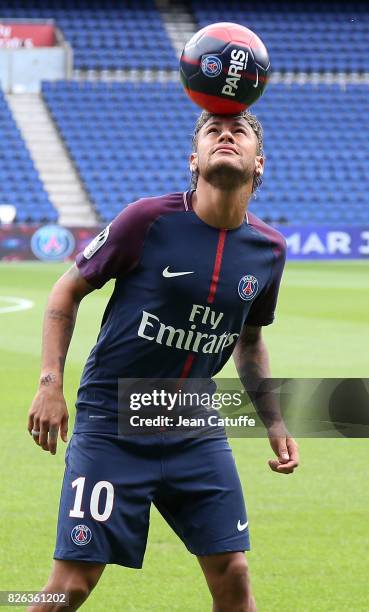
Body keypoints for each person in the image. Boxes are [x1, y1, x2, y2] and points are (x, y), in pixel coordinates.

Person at [27, 109, 299, 612]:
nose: (225, 135)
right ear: (192, 158)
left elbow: (250, 339)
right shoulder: (146, 221)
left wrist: (274, 420)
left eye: (238, 131)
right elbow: (66, 291)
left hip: (192, 423)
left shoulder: (269, 250)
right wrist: (49, 383)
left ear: (259, 163)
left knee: (234, 575)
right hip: (112, 419)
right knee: (71, 585)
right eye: (212, 131)